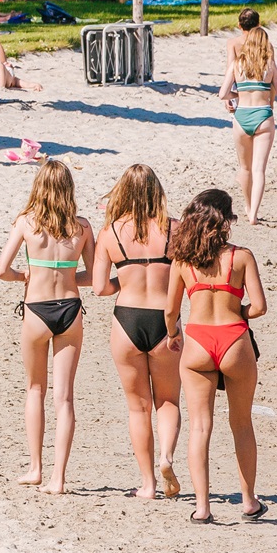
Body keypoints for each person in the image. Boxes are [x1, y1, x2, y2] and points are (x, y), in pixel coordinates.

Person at [165, 190, 268, 523]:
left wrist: (172, 336)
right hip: (234, 338)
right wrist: (237, 309)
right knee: (241, 424)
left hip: (197, 339)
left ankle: (202, 507)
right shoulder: (241, 257)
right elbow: (260, 307)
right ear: (225, 220)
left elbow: (170, 311)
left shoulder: (182, 262)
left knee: (200, 428)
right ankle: (249, 501)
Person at [0, 158, 92, 493]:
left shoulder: (27, 223)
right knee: (64, 398)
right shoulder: (82, 227)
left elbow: (1, 270)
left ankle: (36, 467)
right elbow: (92, 276)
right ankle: (58, 478)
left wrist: (26, 274)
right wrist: (68, 276)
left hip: (37, 309)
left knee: (35, 389)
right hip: (70, 309)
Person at [91, 164, 182, 501]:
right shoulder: (175, 229)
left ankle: (147, 484)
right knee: (169, 401)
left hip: (127, 319)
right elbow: (186, 275)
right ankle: (167, 458)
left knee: (137, 407)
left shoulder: (111, 233)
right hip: (165, 319)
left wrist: (125, 279)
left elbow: (100, 287)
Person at [219, 20, 277, 225]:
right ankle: (253, 214)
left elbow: (222, 93)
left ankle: (247, 205)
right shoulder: (269, 65)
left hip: (241, 116)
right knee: (259, 169)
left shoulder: (237, 64)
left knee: (245, 168)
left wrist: (236, 95)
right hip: (263, 116)